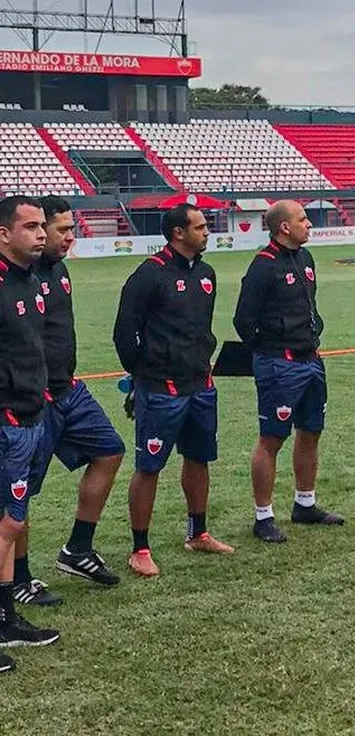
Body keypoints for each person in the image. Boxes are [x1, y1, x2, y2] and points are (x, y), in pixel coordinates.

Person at [11, 197, 126, 607]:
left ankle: (77, 549)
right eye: (61, 229)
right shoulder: (17, 276)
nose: (66, 237)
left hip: (68, 390)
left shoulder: (58, 271)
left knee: (110, 451)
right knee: (17, 493)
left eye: (66, 229)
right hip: (32, 401)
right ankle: (19, 577)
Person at [113, 204, 234, 578]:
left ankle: (198, 532)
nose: (207, 232)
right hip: (160, 388)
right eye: (199, 227)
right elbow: (124, 333)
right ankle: (140, 548)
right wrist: (143, 373)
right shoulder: (149, 275)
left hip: (200, 383)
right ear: (178, 233)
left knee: (198, 459)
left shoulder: (206, 273)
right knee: (149, 467)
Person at [234, 200, 343, 544]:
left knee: (311, 431)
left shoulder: (305, 259)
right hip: (279, 363)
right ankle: (263, 516)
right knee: (272, 439)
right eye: (303, 219)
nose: (309, 224)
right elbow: (243, 320)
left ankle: (305, 503)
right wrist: (269, 350)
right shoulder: (262, 267)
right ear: (284, 227)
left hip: (311, 360)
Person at [0, 195, 61, 673]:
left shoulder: (33, 279)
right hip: (6, 419)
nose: (41, 233)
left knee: (11, 523)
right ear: (5, 234)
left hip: (29, 416)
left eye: (43, 226)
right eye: (31, 227)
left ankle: (5, 618)